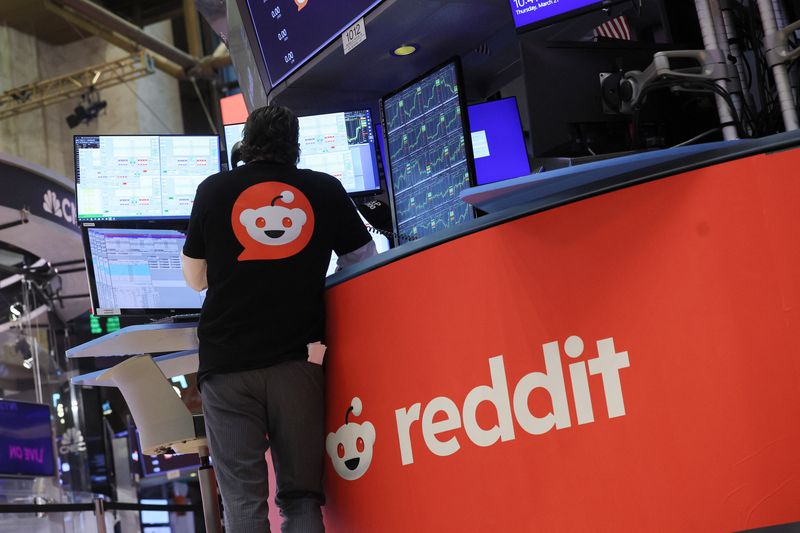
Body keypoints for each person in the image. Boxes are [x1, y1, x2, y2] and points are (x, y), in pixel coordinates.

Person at [181, 105, 376, 532]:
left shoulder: (213, 190)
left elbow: (195, 280)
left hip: (226, 367)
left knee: (243, 504)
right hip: (299, 362)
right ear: (296, 146)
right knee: (301, 497)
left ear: (246, 144)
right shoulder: (324, 189)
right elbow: (363, 259)